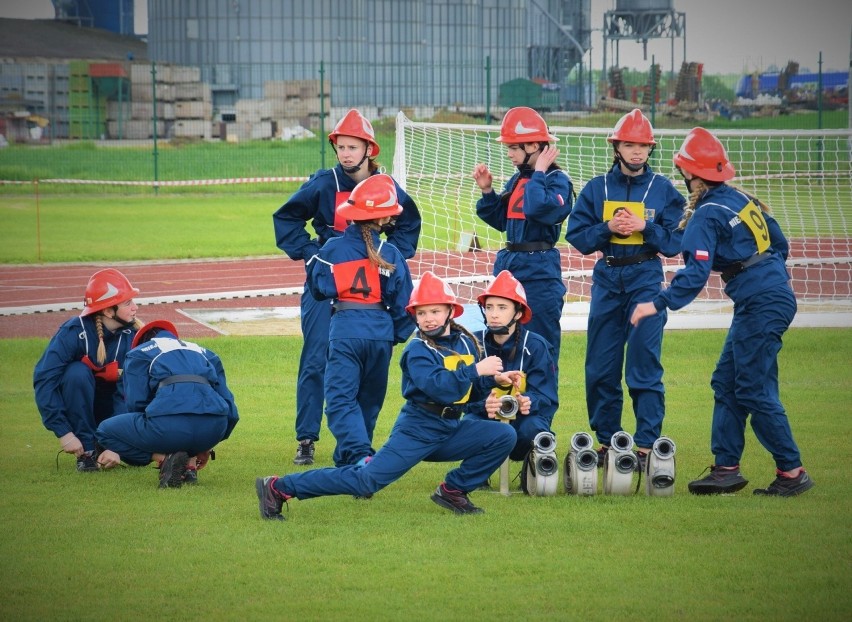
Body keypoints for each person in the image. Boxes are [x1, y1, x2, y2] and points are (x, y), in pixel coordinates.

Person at [630, 127, 814, 497]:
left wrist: (657, 302)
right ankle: (726, 469)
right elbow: (780, 243)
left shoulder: (706, 214)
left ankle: (791, 472)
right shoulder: (740, 199)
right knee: (726, 382)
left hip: (761, 302)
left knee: (751, 388)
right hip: (767, 297)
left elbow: (695, 272)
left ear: (689, 174)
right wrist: (767, 278)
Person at [255, 271, 518, 520]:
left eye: (435, 311)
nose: (428, 318)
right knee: (366, 481)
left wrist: (494, 384)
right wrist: (476, 371)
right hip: (418, 429)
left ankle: (453, 491)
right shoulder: (417, 350)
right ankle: (278, 487)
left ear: (451, 311)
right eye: (421, 312)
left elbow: (466, 392)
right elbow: (438, 386)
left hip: (449, 427)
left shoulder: (466, 341)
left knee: (503, 436)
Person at [273, 108, 421, 466]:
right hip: (327, 280)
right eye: (340, 146)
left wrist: (387, 259)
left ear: (370, 149)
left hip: (369, 290)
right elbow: (286, 217)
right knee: (316, 356)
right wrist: (311, 255)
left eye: (353, 147)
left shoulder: (388, 187)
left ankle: (356, 448)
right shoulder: (324, 183)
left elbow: (409, 223)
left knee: (370, 364)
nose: (346, 153)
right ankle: (307, 437)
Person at [564, 109, 685, 471]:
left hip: (646, 278)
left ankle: (647, 445)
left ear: (650, 150)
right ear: (616, 147)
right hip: (607, 278)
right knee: (600, 366)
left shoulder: (664, 190)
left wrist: (645, 227)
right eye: (629, 144)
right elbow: (577, 238)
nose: (636, 152)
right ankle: (609, 441)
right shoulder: (596, 187)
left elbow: (676, 241)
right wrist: (606, 228)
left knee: (644, 364)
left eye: (643, 146)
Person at [306, 174, 416, 467]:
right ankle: (351, 462)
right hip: (380, 332)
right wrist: (392, 334)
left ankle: (359, 456)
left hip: (345, 329)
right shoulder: (391, 253)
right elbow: (407, 306)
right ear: (384, 219)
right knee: (369, 402)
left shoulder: (330, 250)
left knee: (341, 399)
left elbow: (317, 289)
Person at [472, 106, 573, 362]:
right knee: (501, 345)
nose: (509, 154)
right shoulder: (517, 180)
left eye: (514, 147)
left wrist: (539, 172)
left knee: (541, 346)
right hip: (509, 267)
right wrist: (487, 192)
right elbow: (501, 221)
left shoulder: (557, 179)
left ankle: (541, 402)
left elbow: (539, 208)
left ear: (534, 146)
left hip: (540, 273)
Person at [95, 320, 240, 488]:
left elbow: (136, 404)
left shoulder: (138, 353)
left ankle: (164, 460)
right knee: (190, 427)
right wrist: (206, 446)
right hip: (214, 428)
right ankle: (189, 465)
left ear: (143, 340)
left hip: (168, 427)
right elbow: (232, 413)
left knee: (105, 431)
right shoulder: (207, 353)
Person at [33, 268, 142, 472]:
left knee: (141, 457)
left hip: (116, 412)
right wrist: (64, 433)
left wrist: (117, 443)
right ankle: (87, 452)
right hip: (79, 411)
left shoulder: (134, 337)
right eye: (128, 303)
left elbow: (129, 394)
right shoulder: (73, 332)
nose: (135, 307)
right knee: (76, 373)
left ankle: (107, 444)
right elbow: (44, 380)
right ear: (108, 311)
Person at [464, 270, 558, 475]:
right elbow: (462, 396)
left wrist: (528, 401)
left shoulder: (537, 346)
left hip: (526, 419)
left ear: (518, 313)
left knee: (533, 429)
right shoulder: (472, 344)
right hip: (485, 416)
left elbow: (547, 397)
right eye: (489, 307)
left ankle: (537, 470)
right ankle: (475, 474)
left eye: (502, 307)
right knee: (467, 426)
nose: (494, 314)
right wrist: (483, 405)